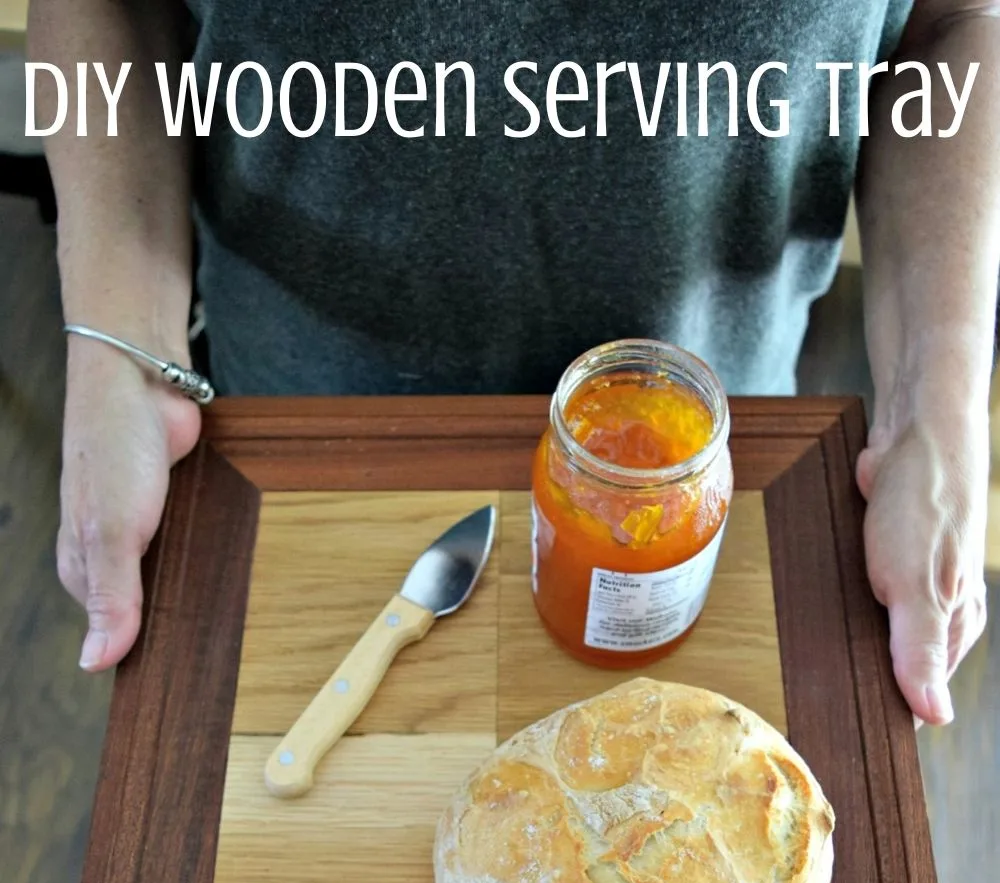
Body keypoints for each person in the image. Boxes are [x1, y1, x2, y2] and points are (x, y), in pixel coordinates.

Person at [29, 0, 999, 725]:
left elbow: (953, 27)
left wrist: (934, 418)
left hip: (706, 457)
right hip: (295, 448)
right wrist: (120, 358)